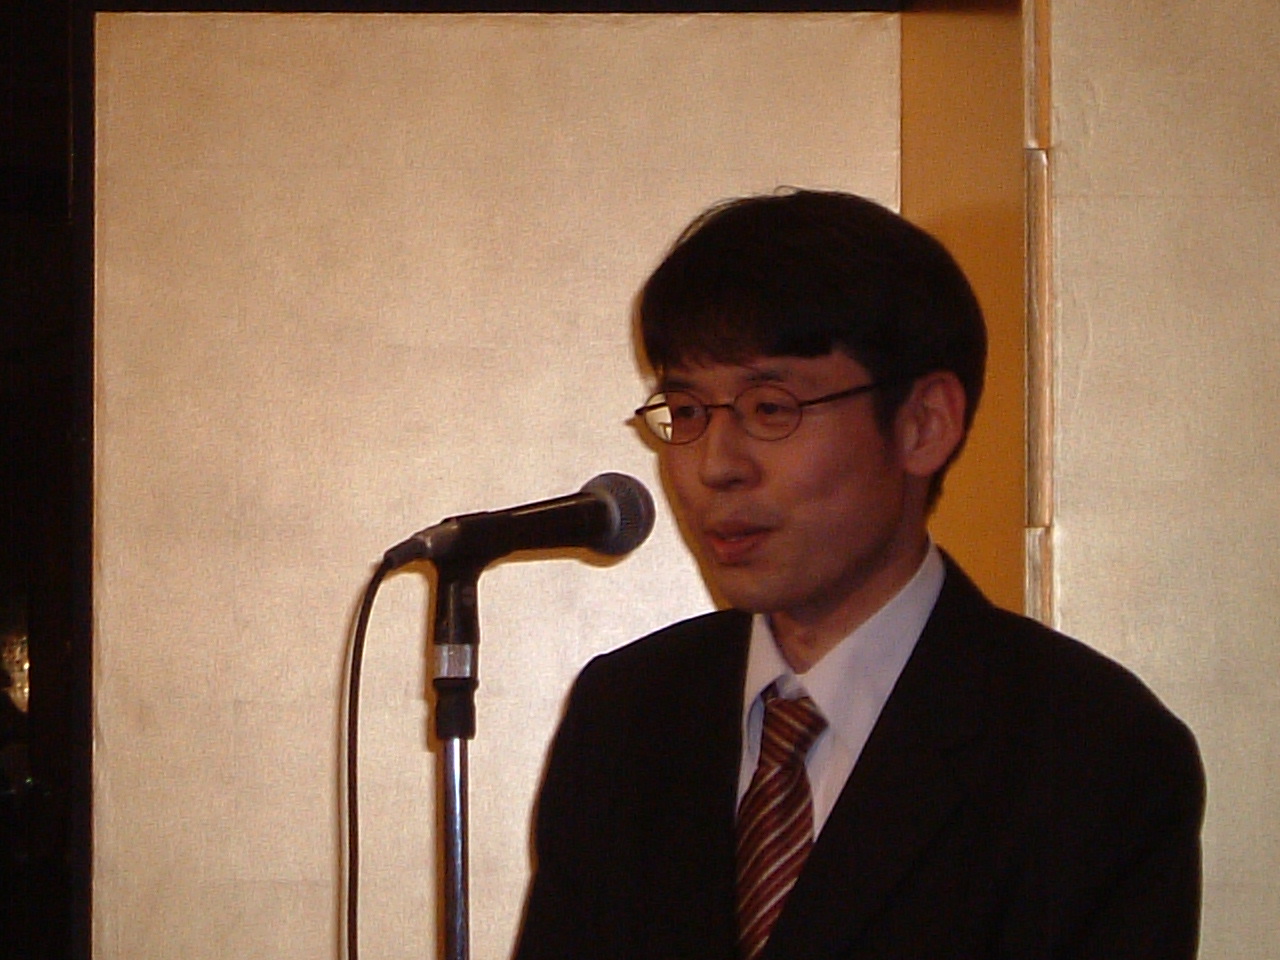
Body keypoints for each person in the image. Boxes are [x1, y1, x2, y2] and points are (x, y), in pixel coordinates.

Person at [512, 189, 1204, 960]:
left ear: (923, 424)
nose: (715, 466)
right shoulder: (628, 716)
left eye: (770, 408)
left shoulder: (1092, 752)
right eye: (687, 410)